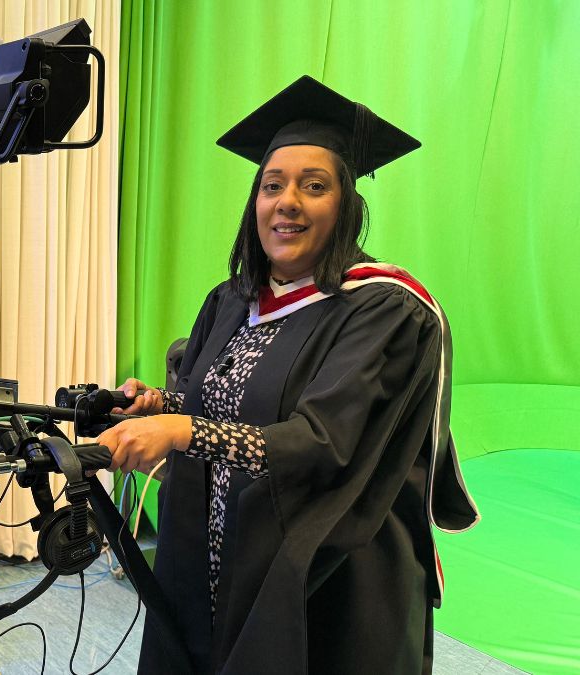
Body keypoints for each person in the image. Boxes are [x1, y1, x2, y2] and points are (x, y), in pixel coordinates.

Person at [98, 76, 479, 674]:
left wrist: (182, 433)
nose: (288, 201)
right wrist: (159, 405)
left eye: (314, 186)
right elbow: (221, 401)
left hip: (326, 566)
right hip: (220, 544)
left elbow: (325, 440)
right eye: (272, 186)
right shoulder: (231, 299)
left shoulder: (384, 307)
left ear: (347, 206)